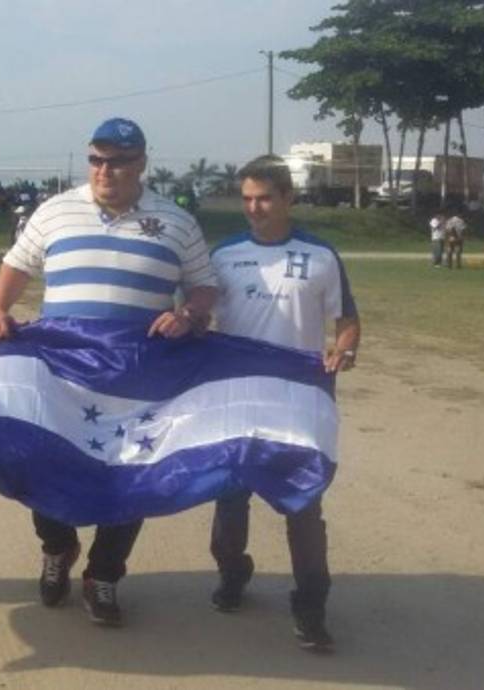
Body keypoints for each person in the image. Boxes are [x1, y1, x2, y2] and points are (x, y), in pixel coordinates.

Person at [0, 117, 218, 627]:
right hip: (62, 371)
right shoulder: (55, 210)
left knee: (130, 475)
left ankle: (104, 574)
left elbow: (204, 286)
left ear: (142, 164)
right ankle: (58, 546)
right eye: (96, 159)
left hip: (137, 377)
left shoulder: (177, 221)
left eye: (117, 160)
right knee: (43, 463)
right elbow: (17, 263)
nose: (104, 170)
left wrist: (188, 314)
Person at [207, 154, 361, 652]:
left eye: (265, 198)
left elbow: (347, 322)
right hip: (237, 396)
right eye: (247, 198)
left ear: (289, 198)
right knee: (230, 496)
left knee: (303, 504)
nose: (254, 207)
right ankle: (233, 573)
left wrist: (345, 348)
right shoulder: (223, 254)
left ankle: (311, 605)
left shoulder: (320, 255)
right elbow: (196, 313)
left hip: (298, 399)